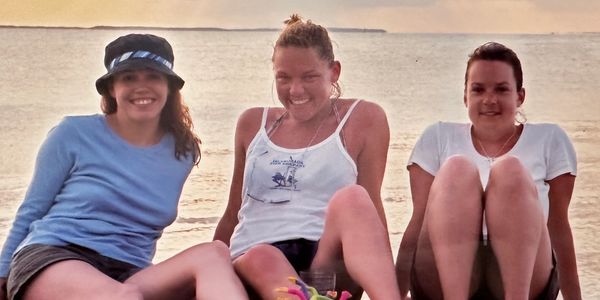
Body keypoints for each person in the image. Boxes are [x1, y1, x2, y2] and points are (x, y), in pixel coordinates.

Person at [0, 33, 248, 300]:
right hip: (55, 256)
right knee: (123, 297)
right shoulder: (72, 133)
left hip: (129, 272)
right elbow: (32, 210)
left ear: (169, 86)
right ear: (111, 88)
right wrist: (2, 274)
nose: (141, 86)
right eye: (129, 77)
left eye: (153, 76)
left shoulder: (183, 151)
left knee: (214, 253)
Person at [213, 15, 402, 300]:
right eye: (284, 78)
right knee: (263, 256)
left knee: (354, 198)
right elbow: (233, 212)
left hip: (324, 266)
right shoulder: (253, 123)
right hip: (255, 265)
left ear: (334, 71)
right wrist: (211, 270)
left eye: (309, 77)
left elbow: (371, 212)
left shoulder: (364, 118)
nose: (295, 90)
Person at [395, 41, 581, 300]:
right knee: (457, 169)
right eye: (478, 90)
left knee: (511, 171)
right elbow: (417, 223)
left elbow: (559, 227)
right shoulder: (438, 137)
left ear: (520, 96)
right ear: (465, 96)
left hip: (523, 273)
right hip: (442, 271)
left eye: (502, 89)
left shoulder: (550, 139)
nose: (489, 100)